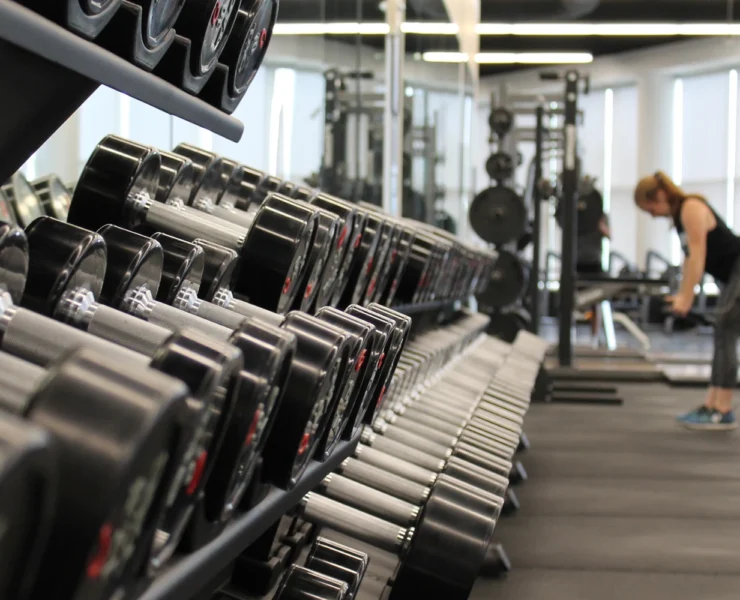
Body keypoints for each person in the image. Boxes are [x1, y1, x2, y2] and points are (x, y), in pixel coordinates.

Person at [634, 171, 740, 430]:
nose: (652, 215)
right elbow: (688, 259)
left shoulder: (691, 207)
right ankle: (712, 404)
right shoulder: (680, 217)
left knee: (726, 327)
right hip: (731, 274)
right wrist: (682, 293)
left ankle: (723, 408)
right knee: (722, 329)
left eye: (649, 208)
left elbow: (698, 256)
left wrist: (688, 298)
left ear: (660, 196)